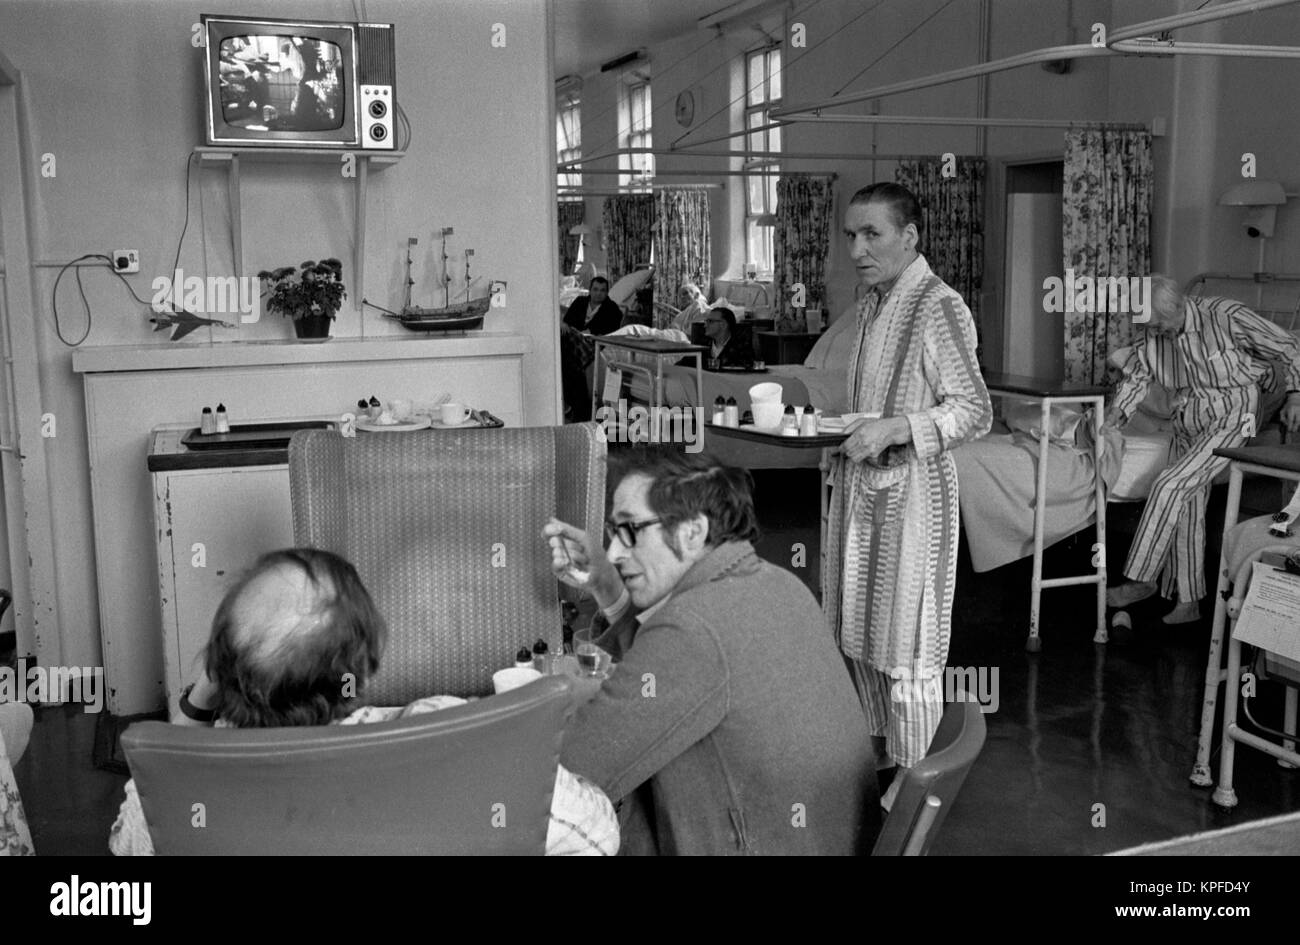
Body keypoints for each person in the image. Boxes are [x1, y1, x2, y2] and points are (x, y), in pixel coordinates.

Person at [109, 548, 617, 856]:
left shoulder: (179, 785)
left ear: (223, 673)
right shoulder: (448, 731)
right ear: (361, 669)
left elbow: (128, 841)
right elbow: (597, 836)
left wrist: (198, 705)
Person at [543, 447, 877, 855]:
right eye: (614, 533)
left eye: (630, 530)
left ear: (693, 532)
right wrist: (607, 583)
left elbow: (577, 767)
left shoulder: (693, 628)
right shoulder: (776, 583)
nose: (613, 552)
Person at [823, 182, 992, 812]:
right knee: (858, 634)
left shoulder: (938, 305)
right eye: (851, 235)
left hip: (915, 498)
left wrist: (900, 429)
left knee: (908, 646)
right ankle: (882, 760)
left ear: (910, 235)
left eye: (873, 235)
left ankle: (919, 788)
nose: (858, 249)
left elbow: (975, 411)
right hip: (862, 489)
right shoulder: (871, 303)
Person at [1105, 275, 1300, 623]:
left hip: (1237, 415)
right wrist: (1120, 409)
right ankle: (1189, 601)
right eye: (1149, 325)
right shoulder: (1154, 332)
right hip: (1189, 418)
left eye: (1159, 323)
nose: (1156, 331)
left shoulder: (1225, 316)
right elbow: (1137, 374)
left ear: (1179, 306)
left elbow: (1288, 346)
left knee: (1169, 484)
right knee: (1189, 502)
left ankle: (1140, 579)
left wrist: (1296, 394)